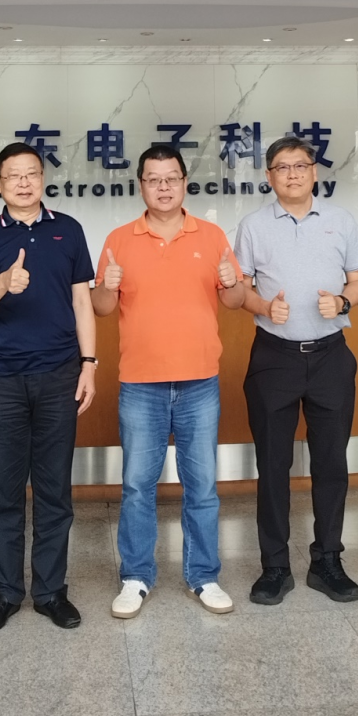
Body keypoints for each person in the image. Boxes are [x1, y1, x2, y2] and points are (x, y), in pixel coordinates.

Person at [92, 144, 246, 617]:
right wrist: (107, 286)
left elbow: (235, 301)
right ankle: (136, 576)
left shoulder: (212, 235)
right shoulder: (119, 239)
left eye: (171, 178)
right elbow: (101, 308)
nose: (163, 187)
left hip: (200, 382)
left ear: (184, 182)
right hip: (141, 383)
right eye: (154, 179)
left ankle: (203, 576)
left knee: (202, 487)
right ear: (141, 184)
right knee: (138, 486)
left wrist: (232, 281)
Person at [0, 142, 98, 633]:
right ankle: (4, 591)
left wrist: (89, 364)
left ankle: (50, 591)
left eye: (32, 174)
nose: (23, 182)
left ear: (42, 179)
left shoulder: (69, 230)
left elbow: (82, 303)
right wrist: (3, 282)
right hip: (0, 376)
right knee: (3, 488)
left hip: (60, 372)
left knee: (53, 487)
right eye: (13, 175)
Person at [234, 135, 358, 606]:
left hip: (331, 355)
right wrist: (262, 306)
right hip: (274, 357)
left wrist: (345, 301)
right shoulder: (253, 226)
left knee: (332, 463)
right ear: (269, 176)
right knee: (273, 464)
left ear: (314, 172)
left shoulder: (341, 221)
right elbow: (241, 288)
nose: (291, 174)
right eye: (282, 167)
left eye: (300, 166)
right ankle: (274, 566)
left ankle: (327, 560)